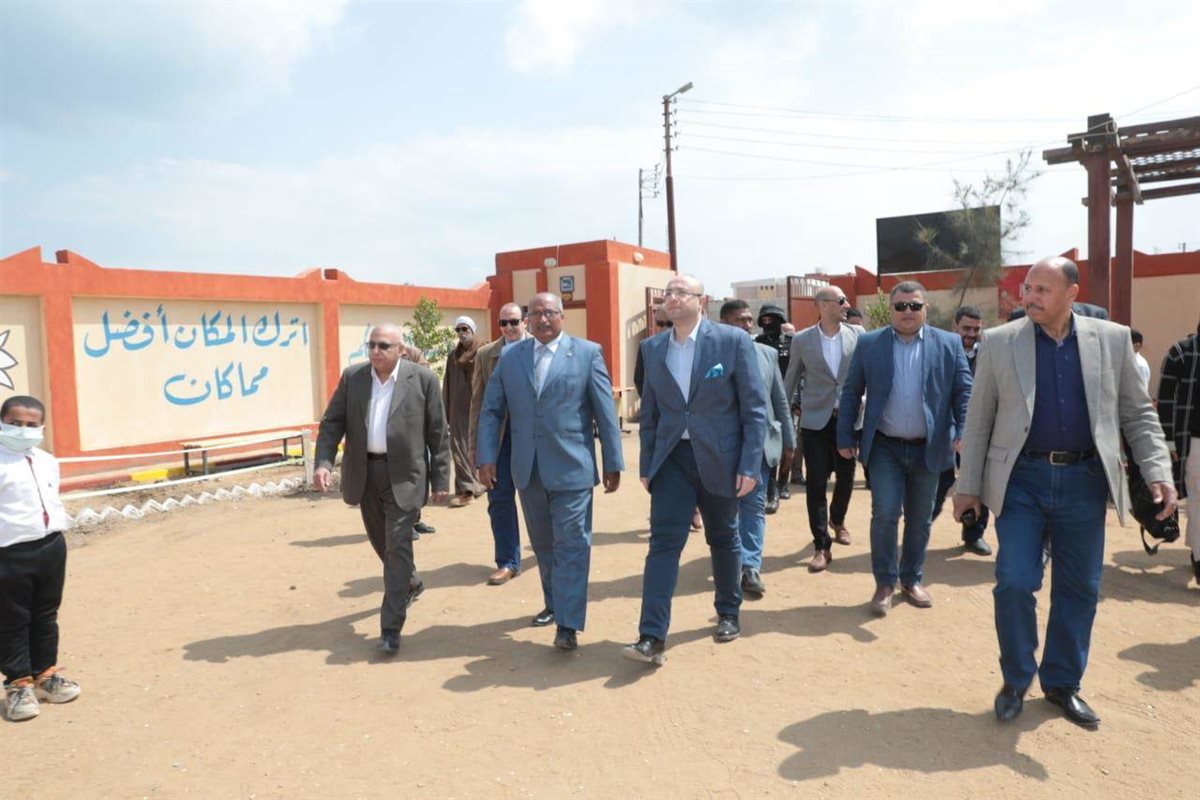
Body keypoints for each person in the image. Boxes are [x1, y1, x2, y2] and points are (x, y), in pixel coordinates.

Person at [954, 256, 1175, 729]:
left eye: (1042, 289)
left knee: (1079, 588)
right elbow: (979, 419)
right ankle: (1016, 679)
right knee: (1015, 581)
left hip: (1084, 482)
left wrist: (1158, 470)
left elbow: (1137, 414)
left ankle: (1061, 683)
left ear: (1072, 294)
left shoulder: (1112, 340)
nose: (1030, 297)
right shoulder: (1000, 342)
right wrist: (967, 486)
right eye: (1028, 288)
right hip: (1021, 481)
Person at [625, 275, 767, 666]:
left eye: (681, 292)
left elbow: (754, 408)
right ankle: (651, 636)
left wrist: (749, 464)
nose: (672, 298)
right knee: (663, 545)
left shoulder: (731, 341)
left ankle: (728, 611)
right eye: (668, 293)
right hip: (672, 460)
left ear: (700, 301)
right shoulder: (652, 348)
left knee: (723, 537)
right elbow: (650, 411)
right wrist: (648, 463)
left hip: (721, 459)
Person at [476, 292, 623, 652]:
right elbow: (492, 410)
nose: (543, 319)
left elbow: (605, 412)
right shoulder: (511, 358)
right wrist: (486, 455)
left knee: (572, 544)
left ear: (562, 316)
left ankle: (568, 624)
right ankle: (555, 603)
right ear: (527, 319)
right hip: (528, 469)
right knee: (543, 545)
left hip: (573, 467)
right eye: (536, 313)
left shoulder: (587, 353)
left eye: (550, 313)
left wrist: (612, 460)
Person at [314, 323, 451, 654]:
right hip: (365, 475)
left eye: (383, 346)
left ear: (401, 350)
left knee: (397, 547)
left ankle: (390, 629)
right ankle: (410, 581)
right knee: (383, 544)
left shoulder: (423, 380)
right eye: (371, 345)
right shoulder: (354, 378)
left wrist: (441, 479)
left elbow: (438, 433)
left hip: (405, 477)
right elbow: (332, 423)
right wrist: (323, 462)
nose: (375, 351)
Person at [838, 281, 972, 616]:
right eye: (900, 306)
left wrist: (964, 431)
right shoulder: (870, 343)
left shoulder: (949, 343)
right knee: (885, 513)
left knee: (920, 518)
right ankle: (885, 582)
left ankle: (911, 579)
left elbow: (964, 392)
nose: (907, 312)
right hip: (885, 447)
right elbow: (851, 391)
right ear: (892, 310)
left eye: (914, 305)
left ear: (926, 308)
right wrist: (845, 437)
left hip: (930, 448)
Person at [0, 395, 80, 722]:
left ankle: (45, 674)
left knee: (46, 614)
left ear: (42, 427)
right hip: (9, 552)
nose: (23, 430)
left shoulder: (47, 460)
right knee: (12, 619)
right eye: (15, 423)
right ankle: (18, 685)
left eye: (31, 425)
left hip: (50, 546)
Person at [783, 285, 863, 572]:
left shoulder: (858, 335)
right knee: (816, 482)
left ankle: (837, 519)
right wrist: (783, 416)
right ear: (824, 305)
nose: (847, 305)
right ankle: (821, 545)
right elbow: (791, 378)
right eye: (841, 301)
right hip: (815, 420)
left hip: (847, 419)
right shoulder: (802, 340)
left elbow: (867, 372)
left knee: (846, 477)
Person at [720, 299, 794, 597]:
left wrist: (789, 441)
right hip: (722, 446)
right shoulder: (709, 354)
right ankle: (731, 560)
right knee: (727, 507)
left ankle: (750, 567)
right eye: (741, 319)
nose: (748, 324)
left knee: (753, 505)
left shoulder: (767, 354)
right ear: (725, 323)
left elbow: (780, 400)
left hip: (760, 444)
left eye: (750, 319)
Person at [467, 303, 529, 586]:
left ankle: (549, 551)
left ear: (525, 322)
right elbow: (477, 403)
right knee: (500, 499)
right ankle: (507, 561)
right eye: (503, 323)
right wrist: (475, 447)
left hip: (533, 438)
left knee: (540, 499)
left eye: (514, 322)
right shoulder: (486, 355)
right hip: (500, 439)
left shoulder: (540, 348)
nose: (508, 328)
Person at [930, 306, 993, 556]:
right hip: (945, 431)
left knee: (979, 483)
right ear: (954, 326)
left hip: (980, 433)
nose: (971, 334)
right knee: (939, 483)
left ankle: (974, 535)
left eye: (976, 329)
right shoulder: (940, 352)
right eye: (966, 328)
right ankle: (918, 529)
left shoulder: (989, 353)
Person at [1155, 321, 1200, 584]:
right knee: (1197, 501)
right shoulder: (1181, 353)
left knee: (1196, 502)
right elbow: (1166, 400)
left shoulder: (1182, 352)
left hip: (1192, 443)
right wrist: (1169, 441)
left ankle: (1196, 551)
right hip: (1193, 441)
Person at [444, 316, 486, 508]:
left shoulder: (484, 352)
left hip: (479, 407)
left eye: (465, 329)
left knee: (477, 448)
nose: (461, 333)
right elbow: (447, 384)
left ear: (472, 330)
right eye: (458, 329)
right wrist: (446, 410)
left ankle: (476, 484)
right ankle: (467, 489)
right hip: (458, 410)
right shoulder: (453, 356)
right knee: (458, 447)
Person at [755, 303, 794, 506]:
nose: (768, 323)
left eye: (772, 319)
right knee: (770, 443)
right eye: (764, 320)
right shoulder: (758, 343)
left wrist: (797, 398)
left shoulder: (791, 342)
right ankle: (772, 490)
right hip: (767, 400)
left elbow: (801, 372)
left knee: (788, 443)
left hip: (788, 398)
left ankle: (783, 484)